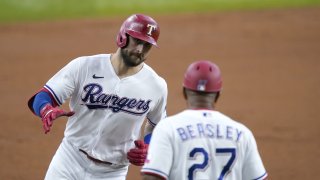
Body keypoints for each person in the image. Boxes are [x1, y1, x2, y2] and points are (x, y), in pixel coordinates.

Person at [27, 14, 168, 180]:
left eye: (147, 45)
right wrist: (45, 109)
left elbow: (158, 126)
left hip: (112, 173)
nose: (140, 50)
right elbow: (44, 96)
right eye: (137, 41)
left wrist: (149, 147)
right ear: (123, 37)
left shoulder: (156, 86)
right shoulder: (84, 66)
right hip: (69, 160)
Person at [141, 60, 268, 180]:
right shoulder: (242, 134)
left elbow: (151, 177)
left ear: (184, 92)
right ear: (218, 94)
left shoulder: (167, 128)